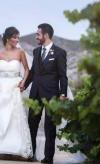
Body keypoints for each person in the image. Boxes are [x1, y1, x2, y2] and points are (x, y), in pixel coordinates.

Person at [0, 26, 33, 160]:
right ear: (8, 38)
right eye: (15, 37)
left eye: (18, 37)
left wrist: (23, 82)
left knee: (14, 117)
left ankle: (15, 147)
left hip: (14, 87)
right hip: (0, 89)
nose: (17, 40)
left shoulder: (20, 52)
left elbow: (26, 70)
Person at [22, 23, 68, 164]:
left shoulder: (60, 52)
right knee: (32, 125)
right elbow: (33, 72)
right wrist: (24, 84)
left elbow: (62, 76)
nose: (36, 36)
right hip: (35, 93)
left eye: (38, 34)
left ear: (46, 35)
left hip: (52, 95)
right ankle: (31, 154)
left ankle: (48, 158)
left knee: (49, 128)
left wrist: (62, 94)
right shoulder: (36, 51)